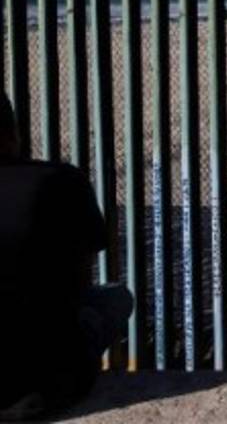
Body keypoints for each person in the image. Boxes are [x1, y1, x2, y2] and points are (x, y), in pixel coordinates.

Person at [0, 92, 133, 420]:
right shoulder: (60, 180)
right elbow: (79, 283)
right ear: (12, 133)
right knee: (115, 298)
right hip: (46, 382)